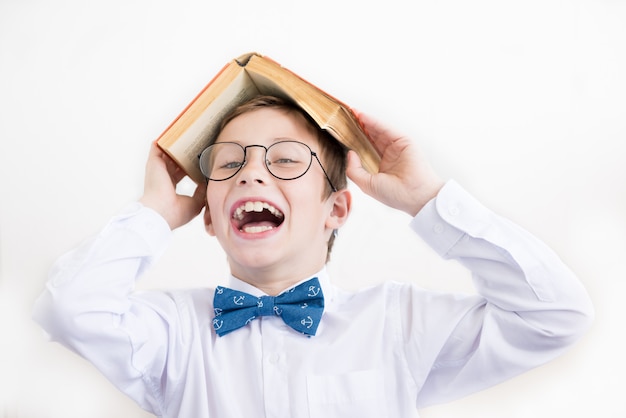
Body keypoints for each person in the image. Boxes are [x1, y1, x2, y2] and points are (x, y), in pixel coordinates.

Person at [33, 95, 594, 418]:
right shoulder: (173, 332)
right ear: (208, 214)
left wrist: (428, 202)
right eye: (228, 163)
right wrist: (154, 212)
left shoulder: (398, 324)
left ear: (337, 209)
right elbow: (69, 311)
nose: (251, 171)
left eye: (284, 161)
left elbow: (556, 316)